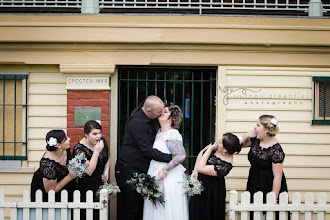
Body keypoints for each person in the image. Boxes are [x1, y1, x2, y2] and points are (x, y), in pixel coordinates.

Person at [115, 95, 173, 220]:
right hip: (129, 170)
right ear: (148, 111)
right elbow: (147, 151)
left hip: (138, 169)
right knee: (131, 207)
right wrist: (171, 158)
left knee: (138, 207)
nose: (161, 114)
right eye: (159, 112)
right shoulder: (138, 122)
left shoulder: (147, 120)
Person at [143, 103, 188, 220]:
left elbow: (180, 155)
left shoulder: (172, 134)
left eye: (166, 111)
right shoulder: (159, 132)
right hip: (155, 174)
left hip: (168, 177)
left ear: (172, 118)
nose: (162, 112)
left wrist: (165, 170)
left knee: (166, 209)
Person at [241, 115, 288, 219]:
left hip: (268, 183)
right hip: (254, 180)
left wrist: (273, 198)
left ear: (266, 130)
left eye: (258, 125)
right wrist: (247, 135)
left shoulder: (276, 151)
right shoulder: (255, 141)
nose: (254, 127)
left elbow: (277, 176)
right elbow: (237, 145)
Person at [189, 133, 242, 220]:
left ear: (225, 149)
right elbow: (201, 153)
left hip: (212, 191)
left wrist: (210, 149)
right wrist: (195, 170)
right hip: (201, 185)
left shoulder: (224, 166)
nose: (217, 142)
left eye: (220, 142)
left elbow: (201, 167)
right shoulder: (217, 146)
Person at [72, 120, 110, 220]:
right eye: (94, 134)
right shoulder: (79, 150)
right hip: (86, 185)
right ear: (86, 135)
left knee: (101, 213)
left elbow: (107, 157)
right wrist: (96, 152)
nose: (98, 136)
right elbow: (89, 171)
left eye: (99, 133)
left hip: (99, 181)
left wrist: (106, 171)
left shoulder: (101, 141)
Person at [31, 130, 75, 202]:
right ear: (58, 145)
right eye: (66, 139)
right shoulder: (48, 165)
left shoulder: (65, 149)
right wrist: (69, 177)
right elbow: (51, 191)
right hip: (49, 192)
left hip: (65, 188)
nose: (69, 139)